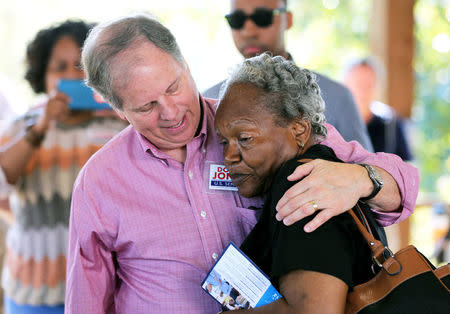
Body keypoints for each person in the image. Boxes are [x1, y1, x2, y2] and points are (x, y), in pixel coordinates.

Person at [65, 13, 418, 313]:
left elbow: (403, 189)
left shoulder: (259, 121)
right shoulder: (99, 181)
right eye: (146, 106)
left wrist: (362, 178)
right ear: (117, 109)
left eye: (173, 88)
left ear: (185, 65)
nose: (171, 113)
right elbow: (86, 300)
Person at [215, 53, 388, 313]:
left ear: (299, 130)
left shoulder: (303, 185)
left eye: (245, 138)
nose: (229, 156)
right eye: (224, 141)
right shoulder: (327, 176)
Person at [0, 20, 127, 314]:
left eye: (80, 67)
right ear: (42, 77)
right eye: (59, 68)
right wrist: (42, 126)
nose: (72, 76)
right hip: (33, 291)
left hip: (104, 290)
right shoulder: (22, 127)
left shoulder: (118, 125)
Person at [203, 0, 373, 151]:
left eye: (262, 17)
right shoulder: (210, 102)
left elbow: (369, 172)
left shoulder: (336, 97)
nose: (248, 31)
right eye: (237, 20)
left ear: (288, 19)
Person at [343, 56, 413, 161]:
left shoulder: (391, 125)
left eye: (369, 84)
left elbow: (405, 169)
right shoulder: (333, 123)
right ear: (345, 84)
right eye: (358, 83)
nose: (363, 90)